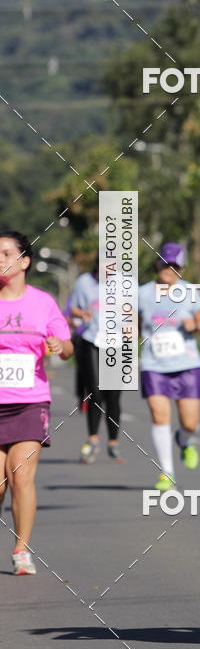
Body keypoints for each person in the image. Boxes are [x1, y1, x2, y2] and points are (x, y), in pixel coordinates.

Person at [0, 230, 73, 575]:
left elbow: (68, 345)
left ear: (24, 261)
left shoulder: (43, 302)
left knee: (21, 475)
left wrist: (60, 345)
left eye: (5, 253)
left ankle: (21, 550)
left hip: (30, 401)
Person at [138, 243, 200, 491]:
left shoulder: (190, 292)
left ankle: (185, 440)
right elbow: (133, 325)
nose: (169, 269)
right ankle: (167, 472)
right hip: (153, 364)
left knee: (190, 423)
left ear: (182, 268)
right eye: (165, 264)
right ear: (157, 264)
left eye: (175, 266)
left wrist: (195, 326)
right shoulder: (142, 294)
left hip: (187, 364)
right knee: (159, 416)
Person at [70, 260, 124, 463]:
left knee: (113, 396)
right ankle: (92, 439)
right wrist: (82, 313)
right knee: (95, 392)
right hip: (91, 340)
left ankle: (113, 442)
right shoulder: (83, 282)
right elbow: (72, 308)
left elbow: (134, 312)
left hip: (116, 343)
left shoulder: (126, 284)